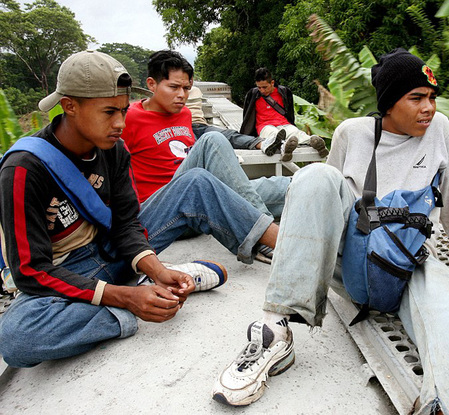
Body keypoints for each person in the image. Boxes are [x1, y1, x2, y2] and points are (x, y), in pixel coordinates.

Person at [212, 49, 449, 413]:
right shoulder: (352, 134)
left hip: (407, 261)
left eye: (433, 98)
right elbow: (326, 199)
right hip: (352, 259)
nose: (429, 108)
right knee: (316, 176)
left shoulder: (439, 131)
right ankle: (275, 330)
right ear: (389, 103)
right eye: (417, 98)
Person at [0, 51, 275, 367]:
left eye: (122, 110)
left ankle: (160, 280)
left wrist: (156, 270)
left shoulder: (113, 149)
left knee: (195, 182)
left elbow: (126, 224)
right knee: (17, 340)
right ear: (70, 106)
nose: (120, 122)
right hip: (68, 272)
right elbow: (31, 270)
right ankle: (136, 295)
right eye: (108, 112)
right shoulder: (24, 169)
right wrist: (125, 299)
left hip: (115, 249)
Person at [122, 51, 289, 220]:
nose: (182, 95)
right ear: (151, 84)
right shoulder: (129, 118)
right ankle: (264, 229)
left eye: (186, 88)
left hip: (200, 195)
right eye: (174, 87)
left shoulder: (184, 114)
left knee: (284, 186)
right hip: (163, 208)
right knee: (213, 139)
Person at [240, 67, 328, 162]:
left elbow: (289, 111)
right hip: (264, 126)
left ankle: (314, 142)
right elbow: (247, 115)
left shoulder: (284, 92)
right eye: (259, 87)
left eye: (264, 87)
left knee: (296, 132)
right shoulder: (253, 94)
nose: (262, 90)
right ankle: (285, 148)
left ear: (272, 83)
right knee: (274, 135)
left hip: (284, 123)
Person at [187, 85, 264, 150]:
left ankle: (262, 144)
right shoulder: (177, 94)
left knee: (228, 135)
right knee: (192, 145)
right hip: (185, 128)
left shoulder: (195, 90)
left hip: (202, 126)